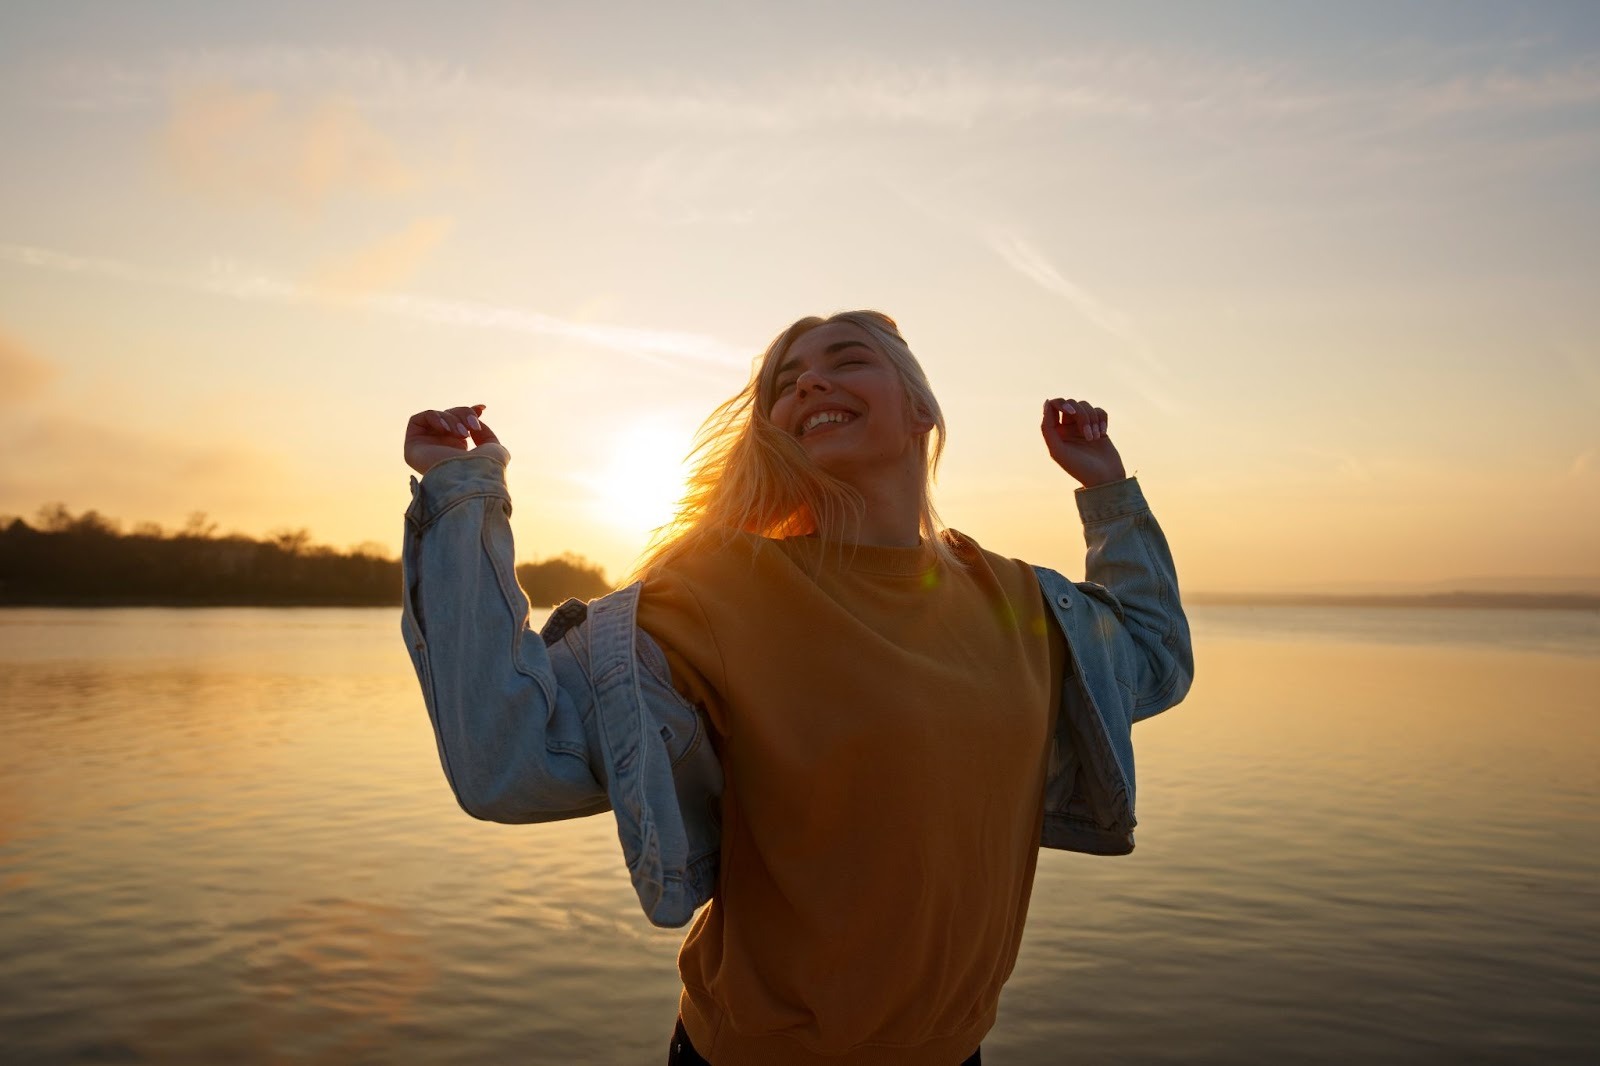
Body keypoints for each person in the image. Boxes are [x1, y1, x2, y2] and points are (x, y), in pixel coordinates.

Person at [400, 310, 1193, 1066]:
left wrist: (1107, 491)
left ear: (921, 409)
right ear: (773, 431)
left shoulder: (1018, 601)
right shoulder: (720, 593)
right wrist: (462, 494)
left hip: (957, 1051)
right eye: (788, 380)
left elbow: (1154, 661)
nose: (810, 383)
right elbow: (507, 760)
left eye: (847, 360)